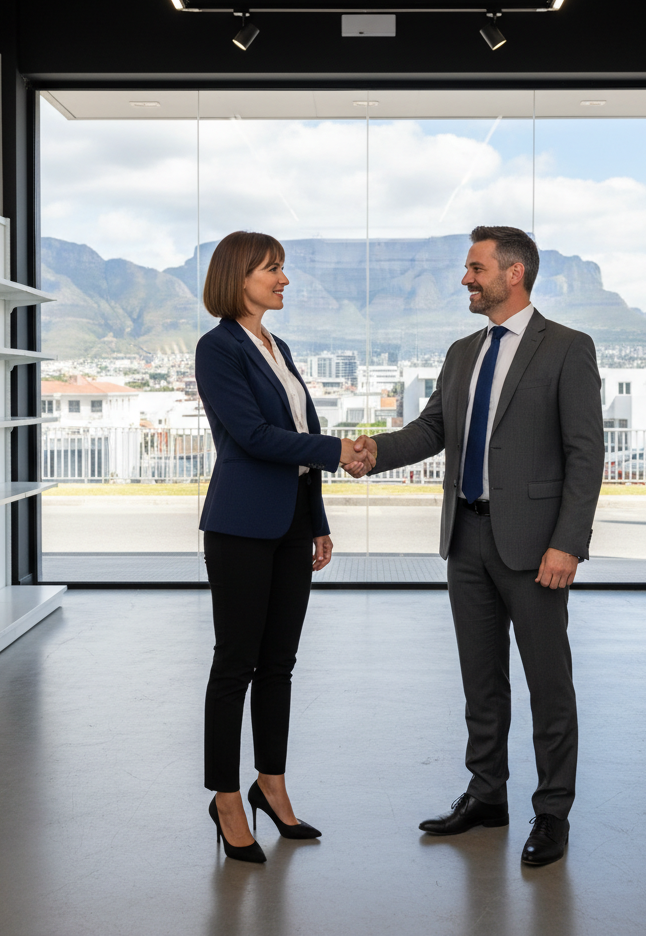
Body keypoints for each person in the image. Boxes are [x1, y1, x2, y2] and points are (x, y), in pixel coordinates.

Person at [349, 225, 603, 867]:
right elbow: (433, 428)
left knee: (549, 685)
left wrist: (568, 543)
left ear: (513, 274)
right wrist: (373, 451)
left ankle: (552, 813)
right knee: (480, 682)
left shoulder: (568, 348)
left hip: (536, 547)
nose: (466, 278)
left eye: (476, 267)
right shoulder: (463, 352)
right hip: (466, 538)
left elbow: (585, 454)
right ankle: (487, 795)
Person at [195, 231, 374, 864]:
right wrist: (337, 452)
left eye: (282, 269)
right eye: (273, 269)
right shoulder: (217, 349)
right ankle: (225, 799)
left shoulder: (278, 345)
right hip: (241, 525)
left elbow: (300, 430)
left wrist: (318, 518)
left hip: (293, 522)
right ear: (239, 276)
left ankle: (271, 784)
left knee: (279, 664)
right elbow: (250, 436)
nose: (284, 279)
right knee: (234, 664)